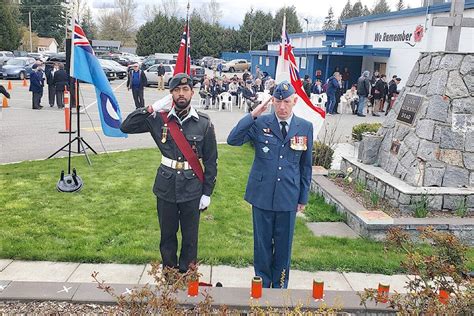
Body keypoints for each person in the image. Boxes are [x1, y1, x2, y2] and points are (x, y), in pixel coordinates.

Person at [120, 73, 218, 275]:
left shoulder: (204, 123)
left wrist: (207, 192)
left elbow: (211, 161)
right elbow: (126, 126)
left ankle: (188, 276)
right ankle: (170, 277)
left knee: (190, 238)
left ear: (192, 92)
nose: (181, 94)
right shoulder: (158, 119)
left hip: (192, 188)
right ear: (171, 94)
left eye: (185, 90)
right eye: (176, 90)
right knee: (167, 236)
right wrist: (151, 108)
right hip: (166, 186)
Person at [227, 81, 313, 289]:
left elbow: (305, 165)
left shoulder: (305, 127)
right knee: (262, 245)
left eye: (286, 102)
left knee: (284, 247)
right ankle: (263, 287)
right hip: (262, 195)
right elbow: (233, 139)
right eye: (277, 101)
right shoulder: (260, 123)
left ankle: (280, 286)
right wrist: (253, 114)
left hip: (288, 196)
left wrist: (303, 197)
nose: (282, 107)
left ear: (295, 101)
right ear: (271, 101)